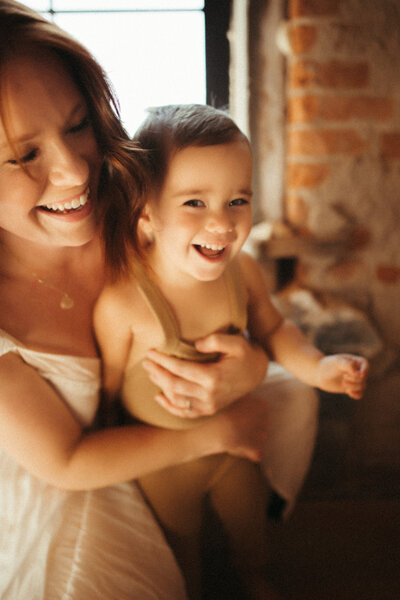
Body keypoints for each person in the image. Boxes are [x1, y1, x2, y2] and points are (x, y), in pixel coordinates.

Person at [0, 3, 277, 599]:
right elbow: (63, 463)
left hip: (168, 440)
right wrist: (217, 431)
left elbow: (231, 296)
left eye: (78, 126)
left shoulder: (137, 212)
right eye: (24, 155)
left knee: (295, 404)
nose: (75, 172)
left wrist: (248, 364)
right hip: (55, 492)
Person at [94, 104, 369, 600]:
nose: (221, 222)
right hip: (163, 462)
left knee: (250, 531)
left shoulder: (244, 273)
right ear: (147, 211)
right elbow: (107, 388)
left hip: (232, 441)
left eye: (237, 200)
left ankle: (254, 577)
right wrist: (110, 457)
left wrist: (319, 366)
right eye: (195, 203)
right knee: (181, 559)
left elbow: (276, 328)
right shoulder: (125, 302)